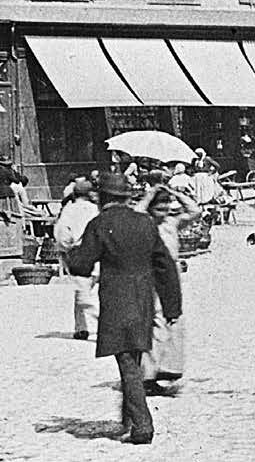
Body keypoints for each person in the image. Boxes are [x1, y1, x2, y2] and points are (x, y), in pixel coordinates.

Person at [66, 169, 182, 445]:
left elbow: (82, 264)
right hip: (143, 300)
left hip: (117, 301)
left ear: (103, 197)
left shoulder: (100, 223)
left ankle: (143, 425)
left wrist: (71, 250)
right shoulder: (145, 223)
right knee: (134, 359)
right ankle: (127, 419)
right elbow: (165, 266)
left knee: (127, 364)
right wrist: (172, 308)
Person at [142, 185, 187, 395]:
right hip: (152, 272)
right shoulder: (145, 224)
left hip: (171, 272)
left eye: (167, 208)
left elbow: (195, 210)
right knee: (156, 319)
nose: (165, 212)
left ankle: (168, 367)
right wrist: (149, 196)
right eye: (159, 209)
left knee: (173, 317)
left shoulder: (171, 222)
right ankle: (150, 372)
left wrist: (175, 193)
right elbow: (135, 213)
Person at [54, 176, 100, 339]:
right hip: (98, 254)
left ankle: (84, 326)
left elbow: (62, 234)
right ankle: (85, 326)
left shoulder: (69, 210)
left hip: (79, 253)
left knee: (82, 290)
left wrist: (66, 249)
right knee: (92, 290)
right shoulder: (96, 210)